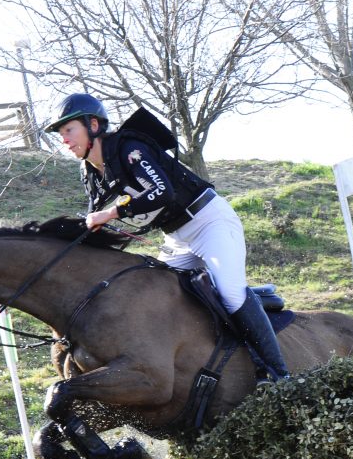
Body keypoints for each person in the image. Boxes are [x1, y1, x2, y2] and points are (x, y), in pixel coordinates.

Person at [45, 92, 289, 384]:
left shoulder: (129, 148)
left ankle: (278, 374)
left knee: (231, 293)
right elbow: (95, 216)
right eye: (61, 134)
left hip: (209, 221)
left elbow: (162, 192)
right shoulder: (90, 171)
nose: (64, 140)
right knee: (156, 296)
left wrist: (111, 213)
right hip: (175, 237)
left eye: (68, 130)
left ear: (93, 125)